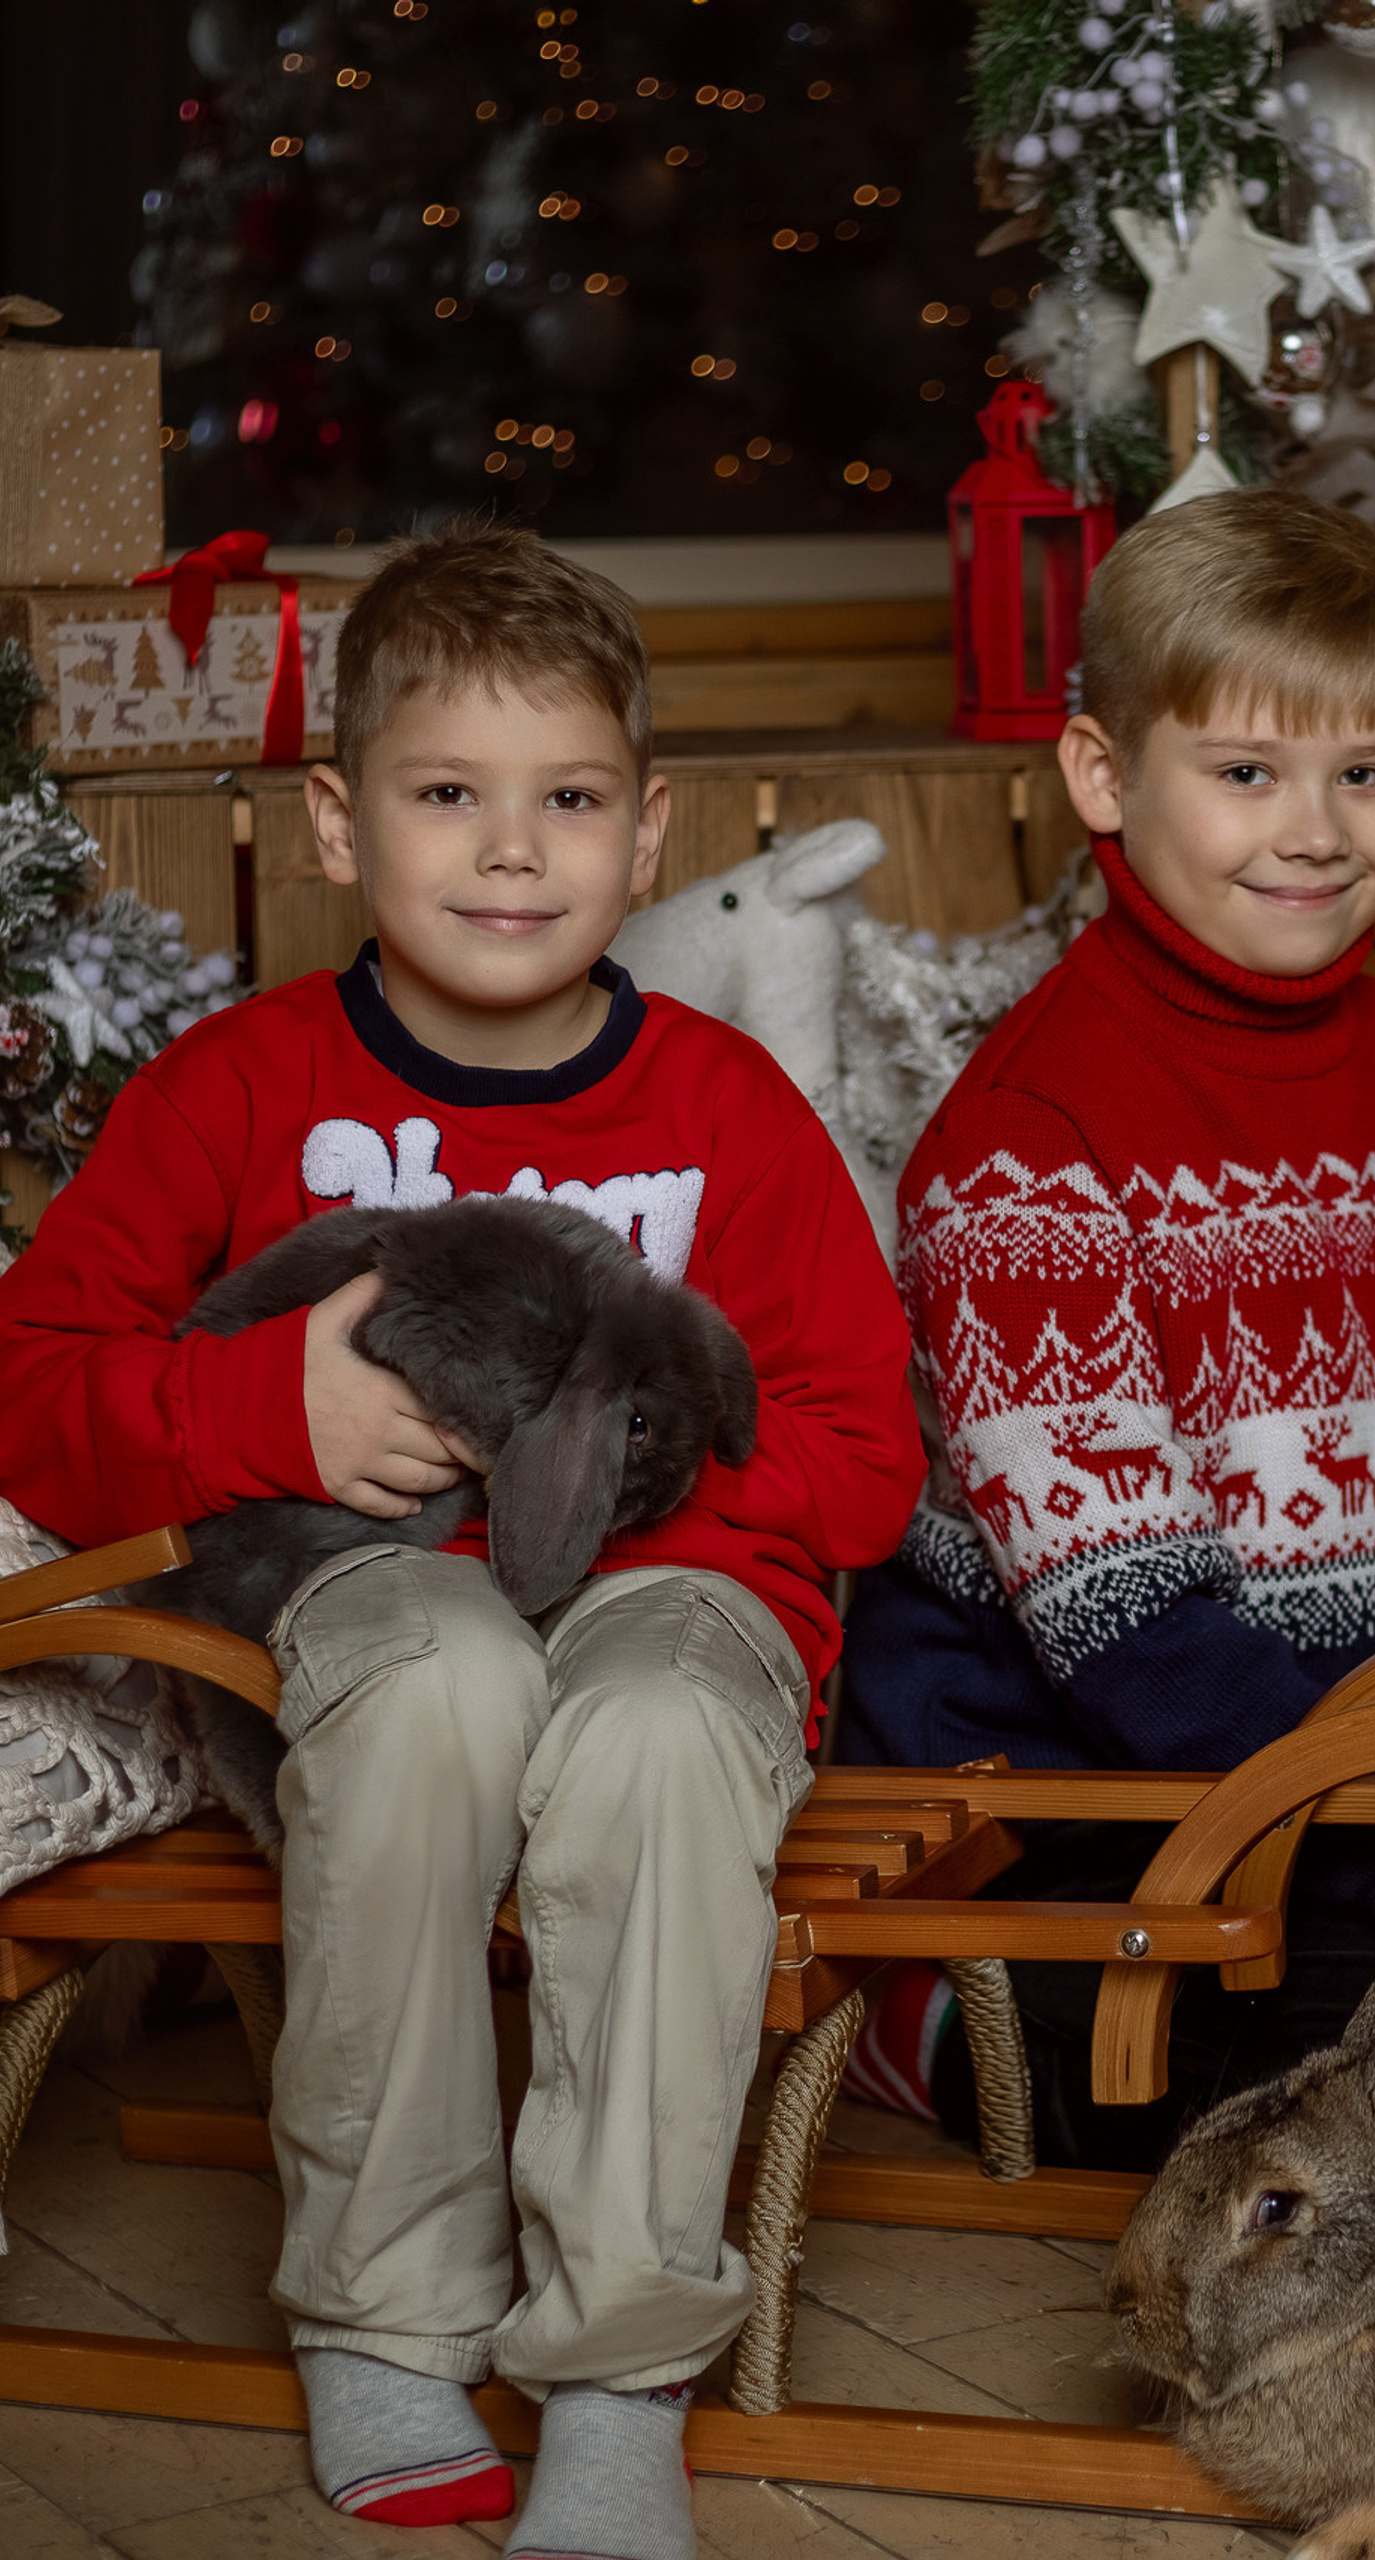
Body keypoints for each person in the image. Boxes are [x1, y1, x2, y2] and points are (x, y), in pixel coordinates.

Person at [0, 525, 922, 2560]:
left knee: (653, 1731)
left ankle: (616, 2371)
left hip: (686, 1612)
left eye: (568, 798)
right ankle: (385, 2313)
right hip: (368, 1611)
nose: (511, 852)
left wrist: (611, 1481)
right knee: (440, 1677)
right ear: (337, 820)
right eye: (447, 794)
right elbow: (35, 1384)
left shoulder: (727, 1106)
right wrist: (274, 1413)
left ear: (644, 823)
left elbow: (863, 1458)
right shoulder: (233, 1090)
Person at [841, 488, 1375, 2170]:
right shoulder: (1025, 1150)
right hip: (1096, 1796)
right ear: (1106, 777)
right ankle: (945, 2025)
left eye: (1364, 774)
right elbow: (1137, 1638)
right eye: (1246, 773)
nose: (1314, 830)